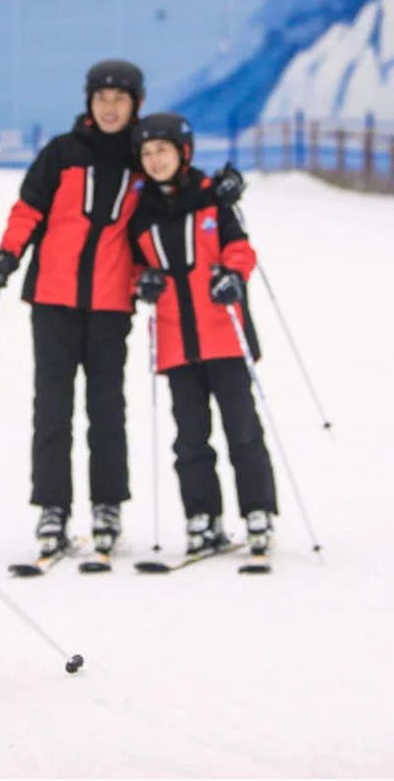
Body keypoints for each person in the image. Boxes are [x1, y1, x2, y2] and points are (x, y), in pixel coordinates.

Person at [0, 59, 148, 559]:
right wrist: (7, 254)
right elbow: (29, 208)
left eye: (120, 99)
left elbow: (165, 215)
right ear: (89, 103)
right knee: (52, 408)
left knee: (106, 409)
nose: (110, 107)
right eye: (102, 98)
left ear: (135, 104)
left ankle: (107, 505)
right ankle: (52, 507)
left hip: (110, 302)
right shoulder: (62, 152)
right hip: (53, 300)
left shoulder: (144, 158)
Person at [128, 113, 278, 557]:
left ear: (183, 152)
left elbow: (240, 247)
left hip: (224, 338)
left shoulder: (213, 197)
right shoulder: (141, 214)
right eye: (148, 153)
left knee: (243, 430)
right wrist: (143, 282)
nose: (155, 161)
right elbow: (135, 265)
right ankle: (202, 516)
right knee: (190, 438)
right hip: (177, 344)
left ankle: (258, 512)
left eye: (164, 151)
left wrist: (233, 274)